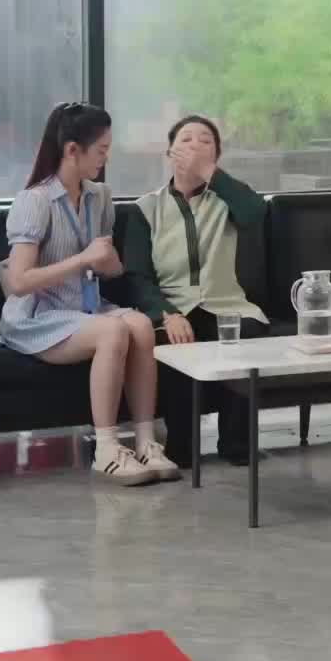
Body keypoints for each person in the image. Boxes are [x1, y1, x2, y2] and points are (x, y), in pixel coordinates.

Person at [0, 102, 181, 487]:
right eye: (101, 149)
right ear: (72, 150)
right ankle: (107, 449)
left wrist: (108, 262)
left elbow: (109, 269)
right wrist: (82, 258)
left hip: (86, 309)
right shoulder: (35, 201)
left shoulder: (100, 197)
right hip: (38, 316)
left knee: (141, 326)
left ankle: (146, 442)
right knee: (113, 331)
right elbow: (18, 281)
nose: (106, 157)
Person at [122, 115, 268, 467]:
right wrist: (166, 314)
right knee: (174, 343)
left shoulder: (228, 200)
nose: (195, 146)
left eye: (206, 141)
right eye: (186, 139)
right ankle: (181, 448)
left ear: (216, 156)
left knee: (246, 335)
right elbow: (137, 277)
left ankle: (237, 445)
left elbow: (256, 213)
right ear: (170, 153)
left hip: (227, 305)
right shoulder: (146, 208)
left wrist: (209, 173)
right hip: (174, 309)